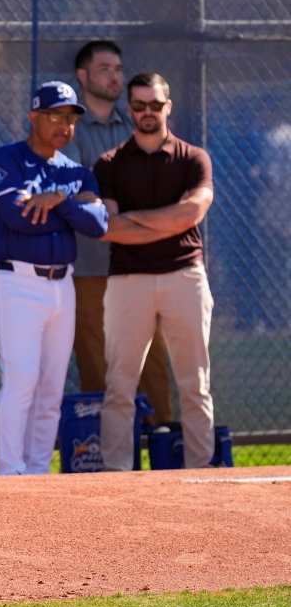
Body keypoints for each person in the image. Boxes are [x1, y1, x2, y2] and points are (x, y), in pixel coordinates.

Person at [0, 82, 108, 476]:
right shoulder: (6, 159)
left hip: (62, 285)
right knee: (21, 382)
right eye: (55, 115)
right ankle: (10, 471)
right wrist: (71, 210)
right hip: (17, 282)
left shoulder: (76, 172)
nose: (65, 124)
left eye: (71, 117)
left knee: (52, 388)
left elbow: (99, 223)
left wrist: (58, 201)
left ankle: (36, 472)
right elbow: (19, 218)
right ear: (34, 117)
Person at [96, 73, 215, 470]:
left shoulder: (194, 158)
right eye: (140, 105)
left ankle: (202, 472)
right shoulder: (109, 164)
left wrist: (136, 220)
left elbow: (192, 213)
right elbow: (108, 228)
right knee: (119, 386)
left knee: (194, 384)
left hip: (185, 276)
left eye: (156, 104)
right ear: (129, 109)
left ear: (168, 106)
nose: (148, 112)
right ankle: (116, 474)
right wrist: (169, 219)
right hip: (128, 281)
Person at [60, 41, 174, 425]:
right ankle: (103, 456)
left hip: (141, 265)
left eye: (118, 69)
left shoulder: (135, 123)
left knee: (152, 360)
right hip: (89, 266)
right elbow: (78, 190)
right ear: (83, 76)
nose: (115, 76)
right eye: (105, 68)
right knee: (96, 363)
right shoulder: (70, 130)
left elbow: (143, 185)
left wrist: (108, 198)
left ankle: (161, 446)